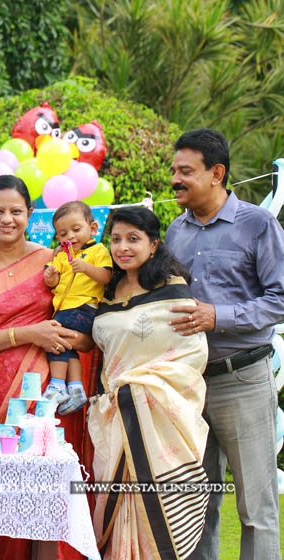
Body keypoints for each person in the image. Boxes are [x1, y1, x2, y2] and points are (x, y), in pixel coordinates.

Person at [0, 175, 93, 560]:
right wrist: (28, 334)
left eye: (16, 211)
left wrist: (73, 339)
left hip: (53, 395)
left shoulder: (54, 262)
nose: (6, 219)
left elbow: (85, 315)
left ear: (30, 214)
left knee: (55, 500)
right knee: (3, 503)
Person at [165, 128, 284, 560]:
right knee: (195, 507)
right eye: (174, 170)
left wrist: (220, 316)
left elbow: (281, 298)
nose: (175, 179)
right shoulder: (174, 231)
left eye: (185, 171)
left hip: (243, 378)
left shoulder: (258, 224)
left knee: (256, 507)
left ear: (216, 173)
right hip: (188, 385)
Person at [89, 206, 209, 560]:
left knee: (153, 507)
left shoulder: (172, 289)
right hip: (114, 415)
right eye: (115, 239)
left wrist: (138, 387)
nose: (122, 247)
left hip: (159, 414)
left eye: (133, 239)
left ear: (154, 244)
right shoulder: (106, 291)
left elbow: (191, 354)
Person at [42, 200, 112, 414]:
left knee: (55, 340)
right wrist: (51, 277)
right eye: (63, 234)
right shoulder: (61, 255)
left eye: (76, 229)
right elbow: (53, 282)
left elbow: (106, 276)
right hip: (65, 308)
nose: (70, 237)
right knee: (68, 347)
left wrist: (86, 268)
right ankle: (75, 388)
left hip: (83, 307)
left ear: (93, 228)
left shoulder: (98, 250)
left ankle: (56, 384)